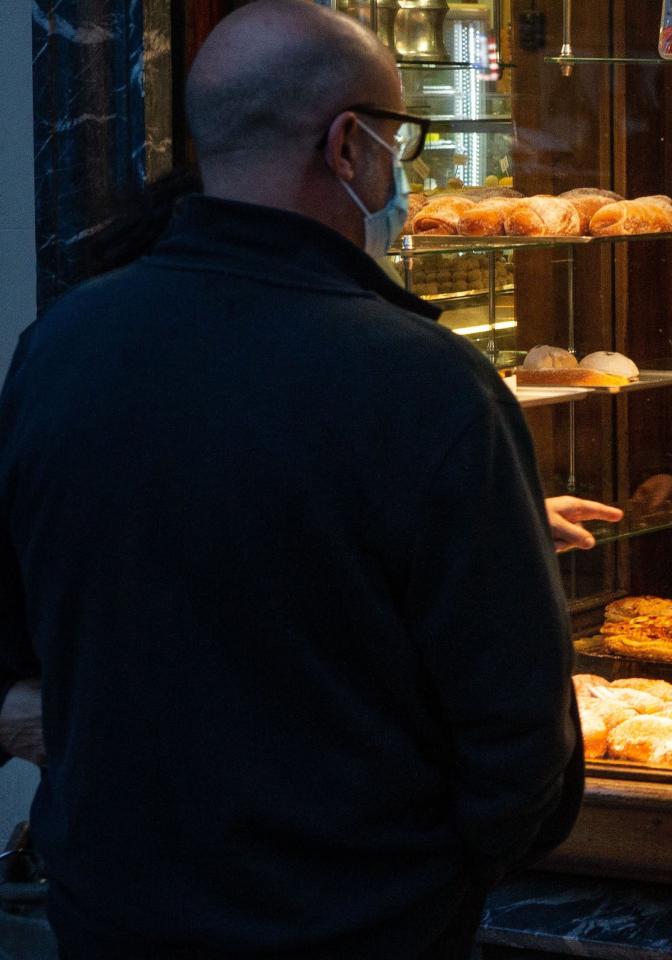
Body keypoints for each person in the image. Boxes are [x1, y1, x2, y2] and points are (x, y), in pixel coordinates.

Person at [0, 1, 602, 955]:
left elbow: (18, 640)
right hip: (362, 922)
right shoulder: (427, 384)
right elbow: (517, 738)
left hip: (112, 912)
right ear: (350, 145)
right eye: (401, 140)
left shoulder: (61, 346)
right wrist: (435, 878)